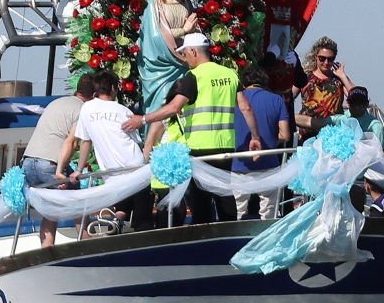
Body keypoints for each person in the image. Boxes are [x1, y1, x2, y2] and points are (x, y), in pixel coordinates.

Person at [123, 34, 261, 224]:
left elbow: (174, 108)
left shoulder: (193, 76)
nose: (185, 59)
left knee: (202, 198)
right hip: (226, 146)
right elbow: (246, 107)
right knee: (224, 192)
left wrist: (143, 119)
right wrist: (255, 137)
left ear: (193, 51)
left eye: (185, 53)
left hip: (199, 148)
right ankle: (230, 232)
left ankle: (203, 238)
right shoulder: (230, 74)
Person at [64, 70, 154, 231]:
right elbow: (136, 142)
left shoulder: (87, 109)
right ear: (113, 88)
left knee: (123, 203)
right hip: (133, 167)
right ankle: (144, 240)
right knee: (142, 212)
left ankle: (115, 223)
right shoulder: (123, 111)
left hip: (112, 173)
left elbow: (85, 142)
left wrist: (79, 169)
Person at [23, 75, 96, 247]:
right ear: (93, 96)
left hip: (27, 164)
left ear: (76, 90)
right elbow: (71, 142)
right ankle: (89, 247)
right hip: (49, 165)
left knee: (51, 208)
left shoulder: (56, 102)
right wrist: (60, 171)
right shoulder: (82, 110)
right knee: (78, 197)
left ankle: (46, 249)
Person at [136, 0, 197, 125]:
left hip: (184, 60)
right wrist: (184, 30)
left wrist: (192, 30)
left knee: (183, 104)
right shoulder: (154, 4)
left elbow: (192, 27)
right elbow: (154, 36)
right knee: (162, 101)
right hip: (162, 63)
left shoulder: (185, 1)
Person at [233, 63, 292, 219]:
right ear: (265, 82)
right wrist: (270, 138)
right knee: (268, 213)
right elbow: (285, 135)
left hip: (238, 163)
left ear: (244, 83)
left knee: (237, 211)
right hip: (268, 163)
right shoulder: (276, 100)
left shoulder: (235, 100)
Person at [294, 37, 355, 139]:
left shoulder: (338, 79)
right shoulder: (305, 77)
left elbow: (356, 96)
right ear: (315, 57)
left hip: (334, 133)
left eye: (330, 59)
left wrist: (343, 76)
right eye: (322, 58)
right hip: (309, 133)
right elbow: (288, 97)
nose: (326, 62)